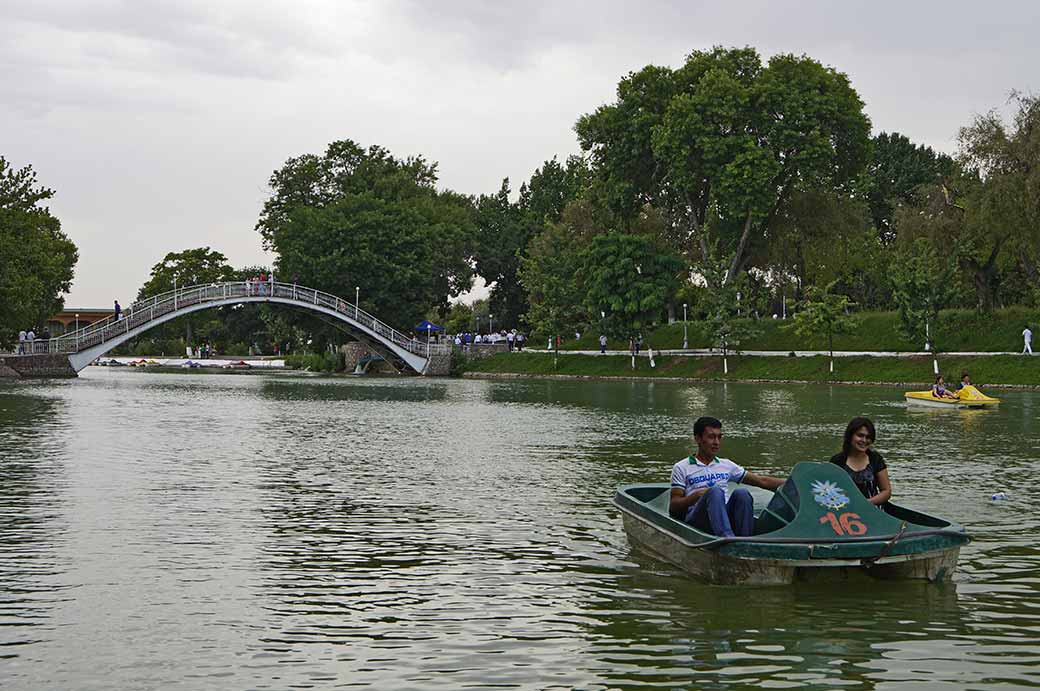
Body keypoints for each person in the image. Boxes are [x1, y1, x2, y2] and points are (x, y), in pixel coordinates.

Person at [669, 416, 785, 538]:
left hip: (722, 517)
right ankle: (728, 539)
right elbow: (673, 506)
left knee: (742, 493)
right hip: (697, 520)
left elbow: (762, 481)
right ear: (698, 439)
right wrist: (695, 496)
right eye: (711, 437)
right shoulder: (682, 467)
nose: (716, 442)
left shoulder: (726, 465)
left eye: (719, 437)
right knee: (715, 492)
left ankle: (745, 540)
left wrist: (794, 482)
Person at [830, 416, 892, 506]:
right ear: (850, 436)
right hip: (844, 512)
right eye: (860, 435)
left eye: (868, 437)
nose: (864, 440)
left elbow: (886, 491)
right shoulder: (837, 461)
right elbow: (829, 490)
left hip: (872, 510)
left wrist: (866, 503)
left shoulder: (875, 459)